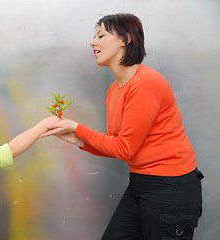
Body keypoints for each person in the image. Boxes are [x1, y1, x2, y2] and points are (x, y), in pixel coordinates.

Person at [40, 13, 203, 239]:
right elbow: (116, 143)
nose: (92, 42)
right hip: (141, 183)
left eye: (101, 35)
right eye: (93, 36)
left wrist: (77, 128)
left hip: (170, 189)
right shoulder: (115, 89)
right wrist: (75, 139)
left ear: (125, 39)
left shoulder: (145, 84)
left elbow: (124, 148)